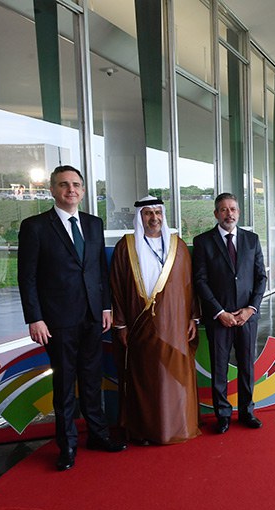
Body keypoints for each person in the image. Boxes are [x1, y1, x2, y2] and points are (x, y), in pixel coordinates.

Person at [17, 165, 126, 471]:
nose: (71, 190)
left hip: (93, 316)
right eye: (64, 185)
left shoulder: (93, 224)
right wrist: (34, 318)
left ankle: (98, 435)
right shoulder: (35, 226)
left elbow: (98, 271)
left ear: (83, 189)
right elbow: (27, 277)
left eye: (76, 184)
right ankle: (67, 446)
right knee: (65, 384)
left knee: (92, 380)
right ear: (52, 190)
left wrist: (105, 307)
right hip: (57, 320)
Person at [110, 196, 201, 445]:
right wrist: (121, 324)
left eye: (158, 213)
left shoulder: (177, 246)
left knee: (173, 378)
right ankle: (145, 430)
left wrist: (193, 317)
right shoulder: (126, 246)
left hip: (174, 326)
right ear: (140, 217)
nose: (154, 218)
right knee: (146, 379)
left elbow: (189, 286)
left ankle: (178, 426)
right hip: (139, 328)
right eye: (148, 213)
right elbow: (116, 287)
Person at [193, 193, 267, 434]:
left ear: (239, 212)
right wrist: (219, 312)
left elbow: (260, 277)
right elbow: (200, 280)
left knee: (247, 366)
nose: (229, 214)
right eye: (223, 210)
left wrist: (250, 309)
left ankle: (247, 412)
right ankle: (222, 415)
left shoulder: (252, 240)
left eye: (233, 209)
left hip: (247, 316)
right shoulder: (203, 242)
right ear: (216, 214)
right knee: (219, 368)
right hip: (219, 318)